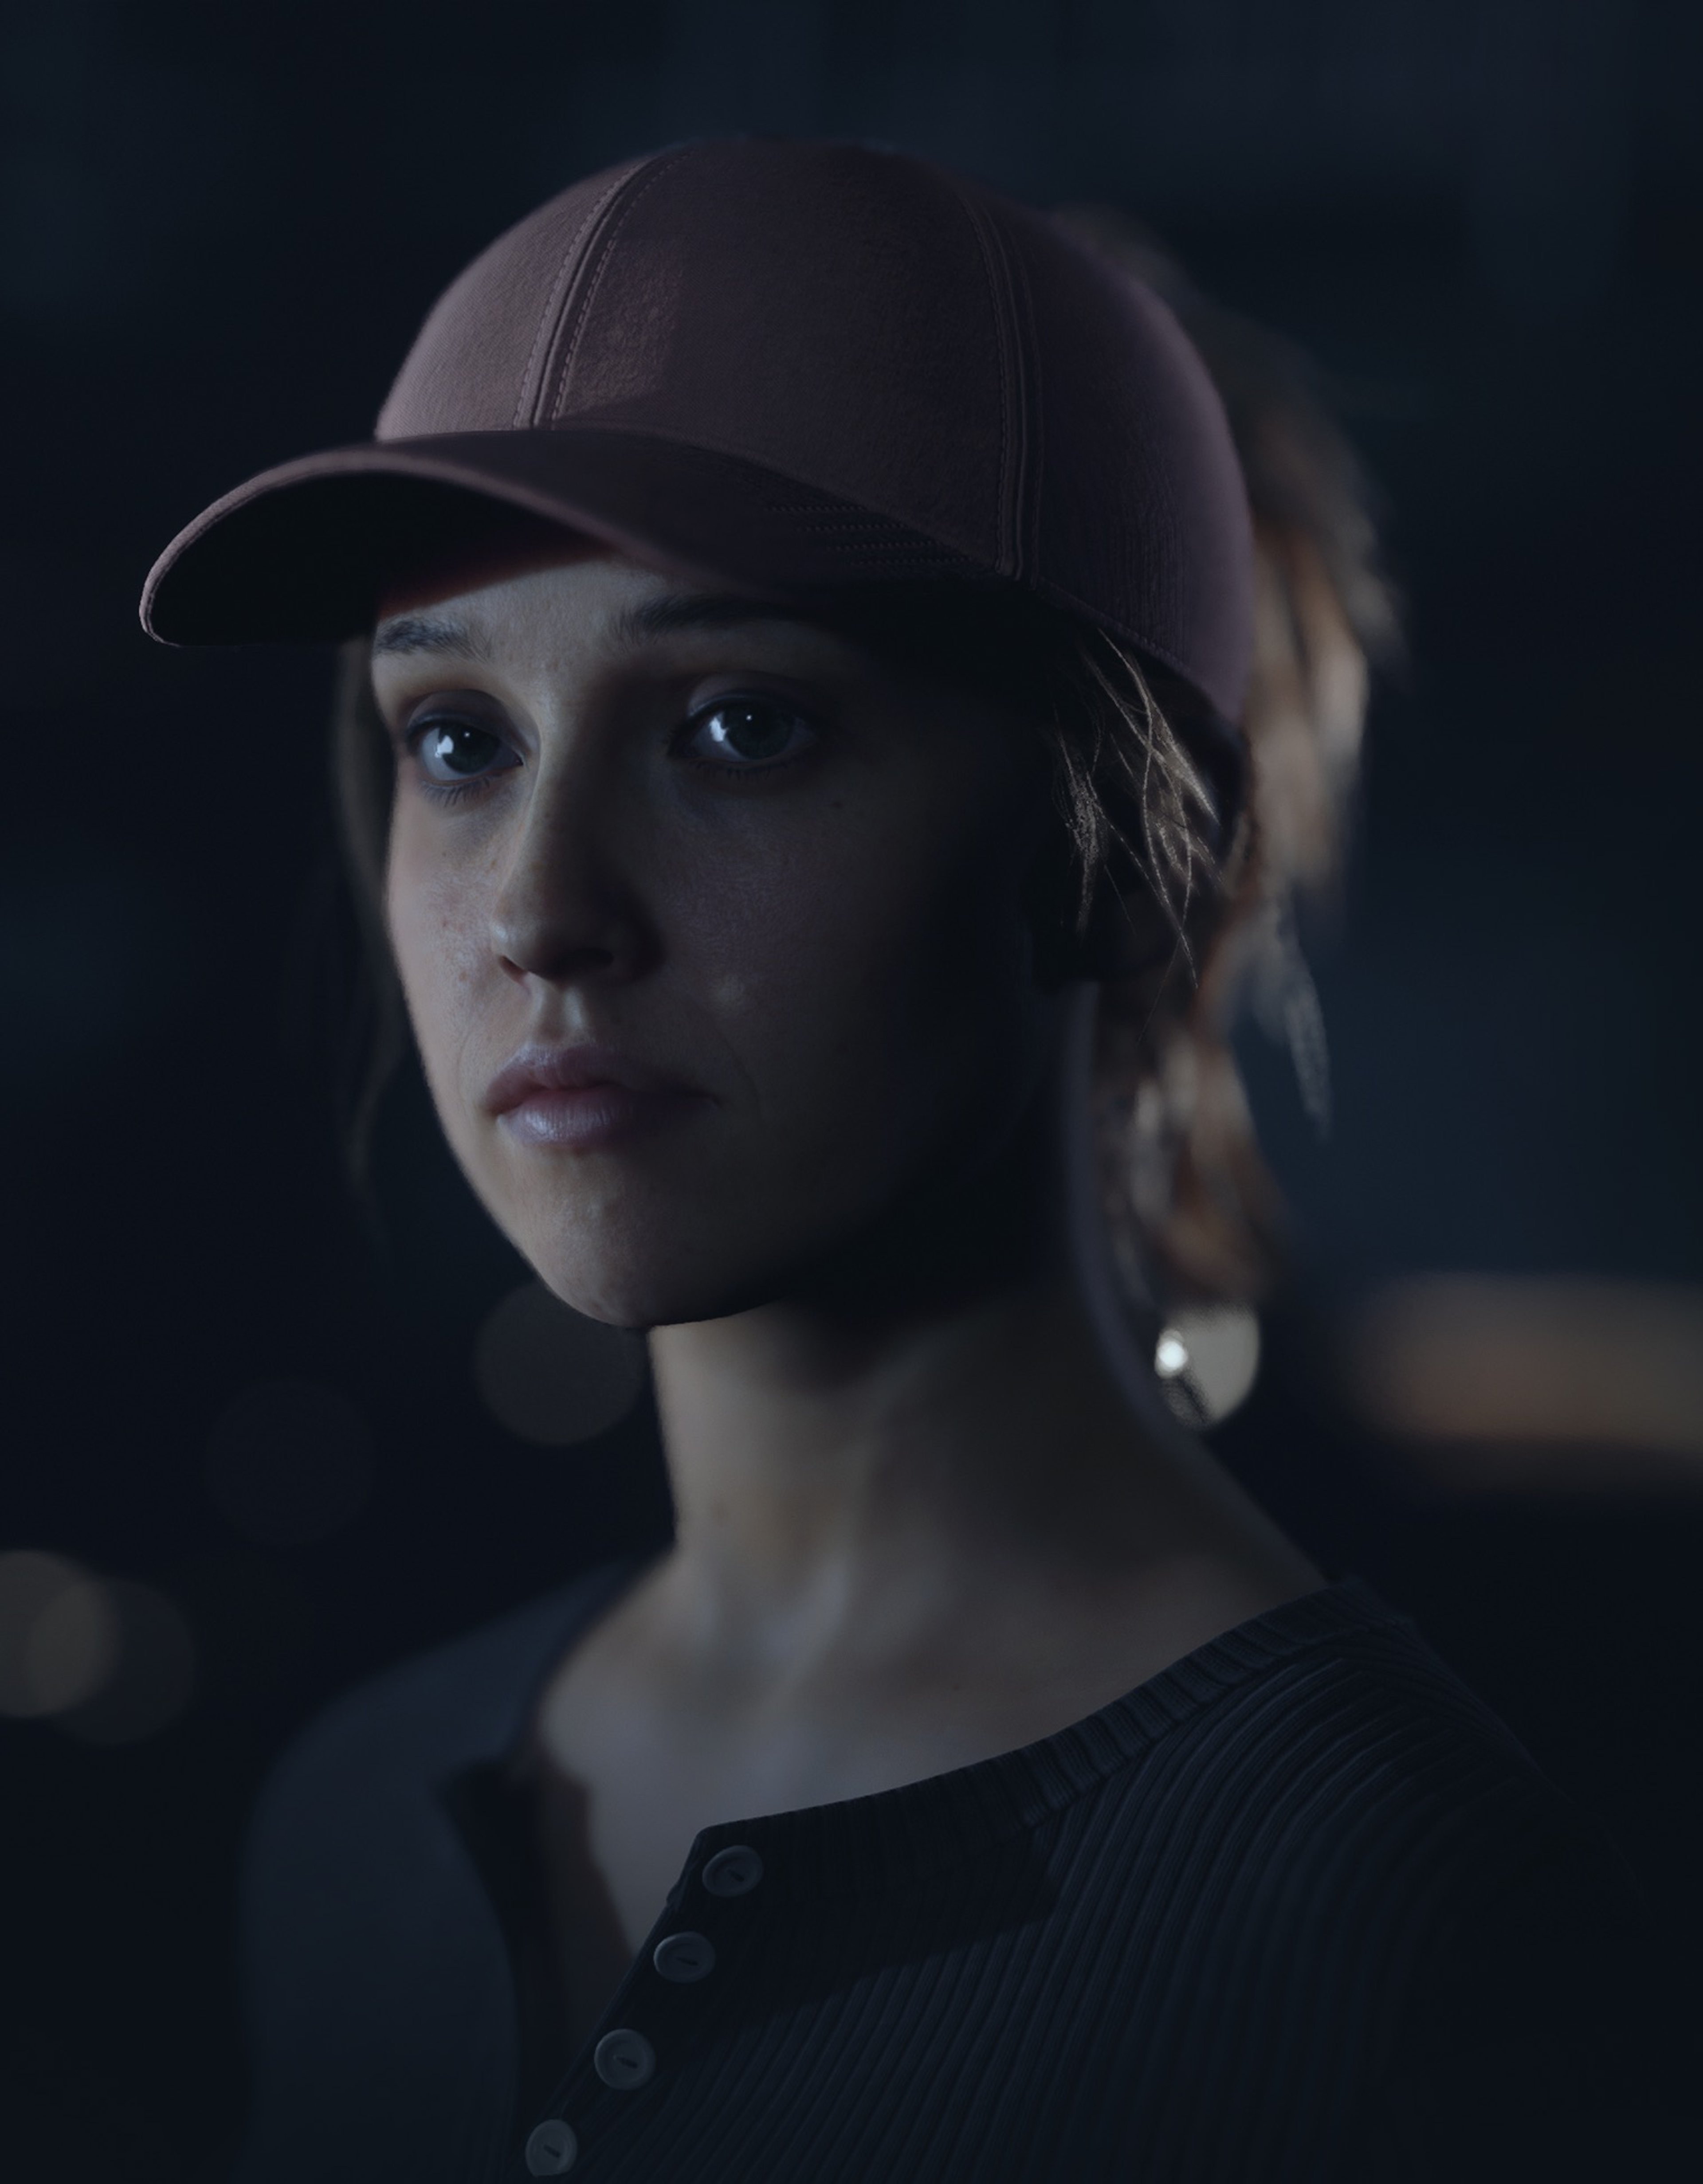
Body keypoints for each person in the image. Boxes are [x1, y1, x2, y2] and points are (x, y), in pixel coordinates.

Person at [142, 139, 1695, 2182]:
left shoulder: (1395, 1934)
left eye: (739, 726)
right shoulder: (358, 1819)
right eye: (459, 738)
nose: (537, 905)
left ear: (1134, 849)